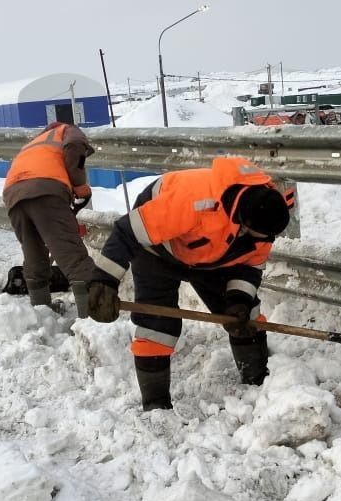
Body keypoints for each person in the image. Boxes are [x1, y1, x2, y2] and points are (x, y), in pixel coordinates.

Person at [86, 156, 293, 410]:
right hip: (156, 251)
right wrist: (104, 281)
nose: (268, 241)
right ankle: (156, 404)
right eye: (263, 235)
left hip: (213, 257)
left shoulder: (264, 220)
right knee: (157, 330)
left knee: (246, 317)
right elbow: (127, 232)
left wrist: (238, 300)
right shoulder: (193, 202)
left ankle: (259, 382)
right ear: (245, 223)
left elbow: (250, 268)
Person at [2, 116, 96, 316]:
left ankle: (42, 311)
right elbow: (76, 145)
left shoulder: (35, 142)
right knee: (72, 255)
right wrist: (79, 185)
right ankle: (92, 317)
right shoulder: (67, 131)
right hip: (45, 190)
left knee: (33, 252)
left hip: (13, 193)